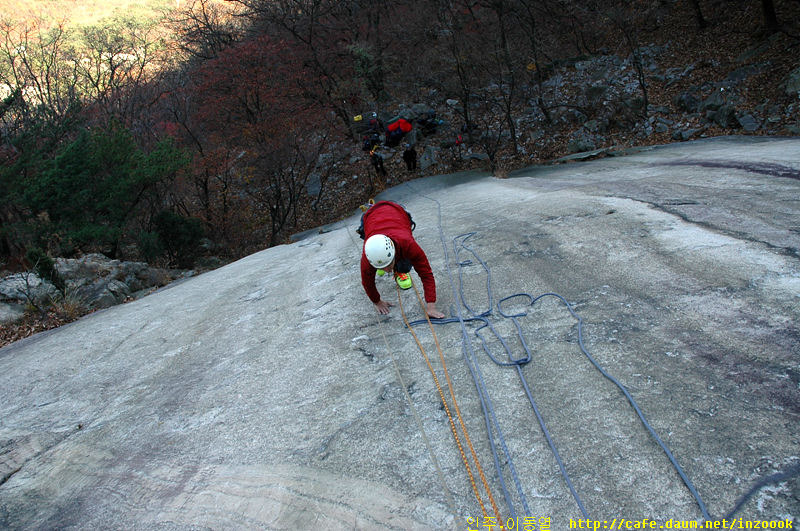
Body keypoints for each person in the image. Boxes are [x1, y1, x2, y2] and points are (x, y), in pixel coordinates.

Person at [360, 201, 445, 319]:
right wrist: (377, 301)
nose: (388, 271)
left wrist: (431, 306)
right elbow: (367, 281)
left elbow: (426, 273)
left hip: (396, 211)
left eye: (389, 265)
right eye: (382, 267)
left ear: (394, 253)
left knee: (404, 267)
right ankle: (378, 266)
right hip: (370, 217)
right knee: (371, 270)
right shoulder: (367, 255)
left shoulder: (408, 245)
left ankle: (396, 270)